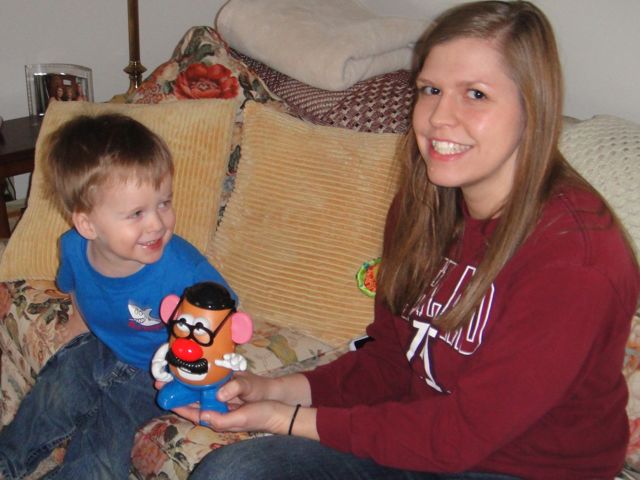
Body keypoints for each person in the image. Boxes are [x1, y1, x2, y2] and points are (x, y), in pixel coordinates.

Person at [172, 2, 640, 479]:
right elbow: (393, 360)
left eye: (476, 94)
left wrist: (283, 419)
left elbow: (457, 437)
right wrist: (273, 390)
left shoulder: (575, 260)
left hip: (530, 469)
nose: (439, 117)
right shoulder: (426, 206)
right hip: (427, 437)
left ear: (533, 109)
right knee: (236, 472)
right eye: (431, 90)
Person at [0, 114, 235, 479]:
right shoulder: (73, 247)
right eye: (136, 213)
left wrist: (206, 375)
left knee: (104, 437)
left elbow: (224, 316)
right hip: (100, 345)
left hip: (155, 370)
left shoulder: (186, 271)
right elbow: (75, 285)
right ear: (87, 224)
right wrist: (77, 324)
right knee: (51, 396)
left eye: (164, 203)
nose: (157, 223)